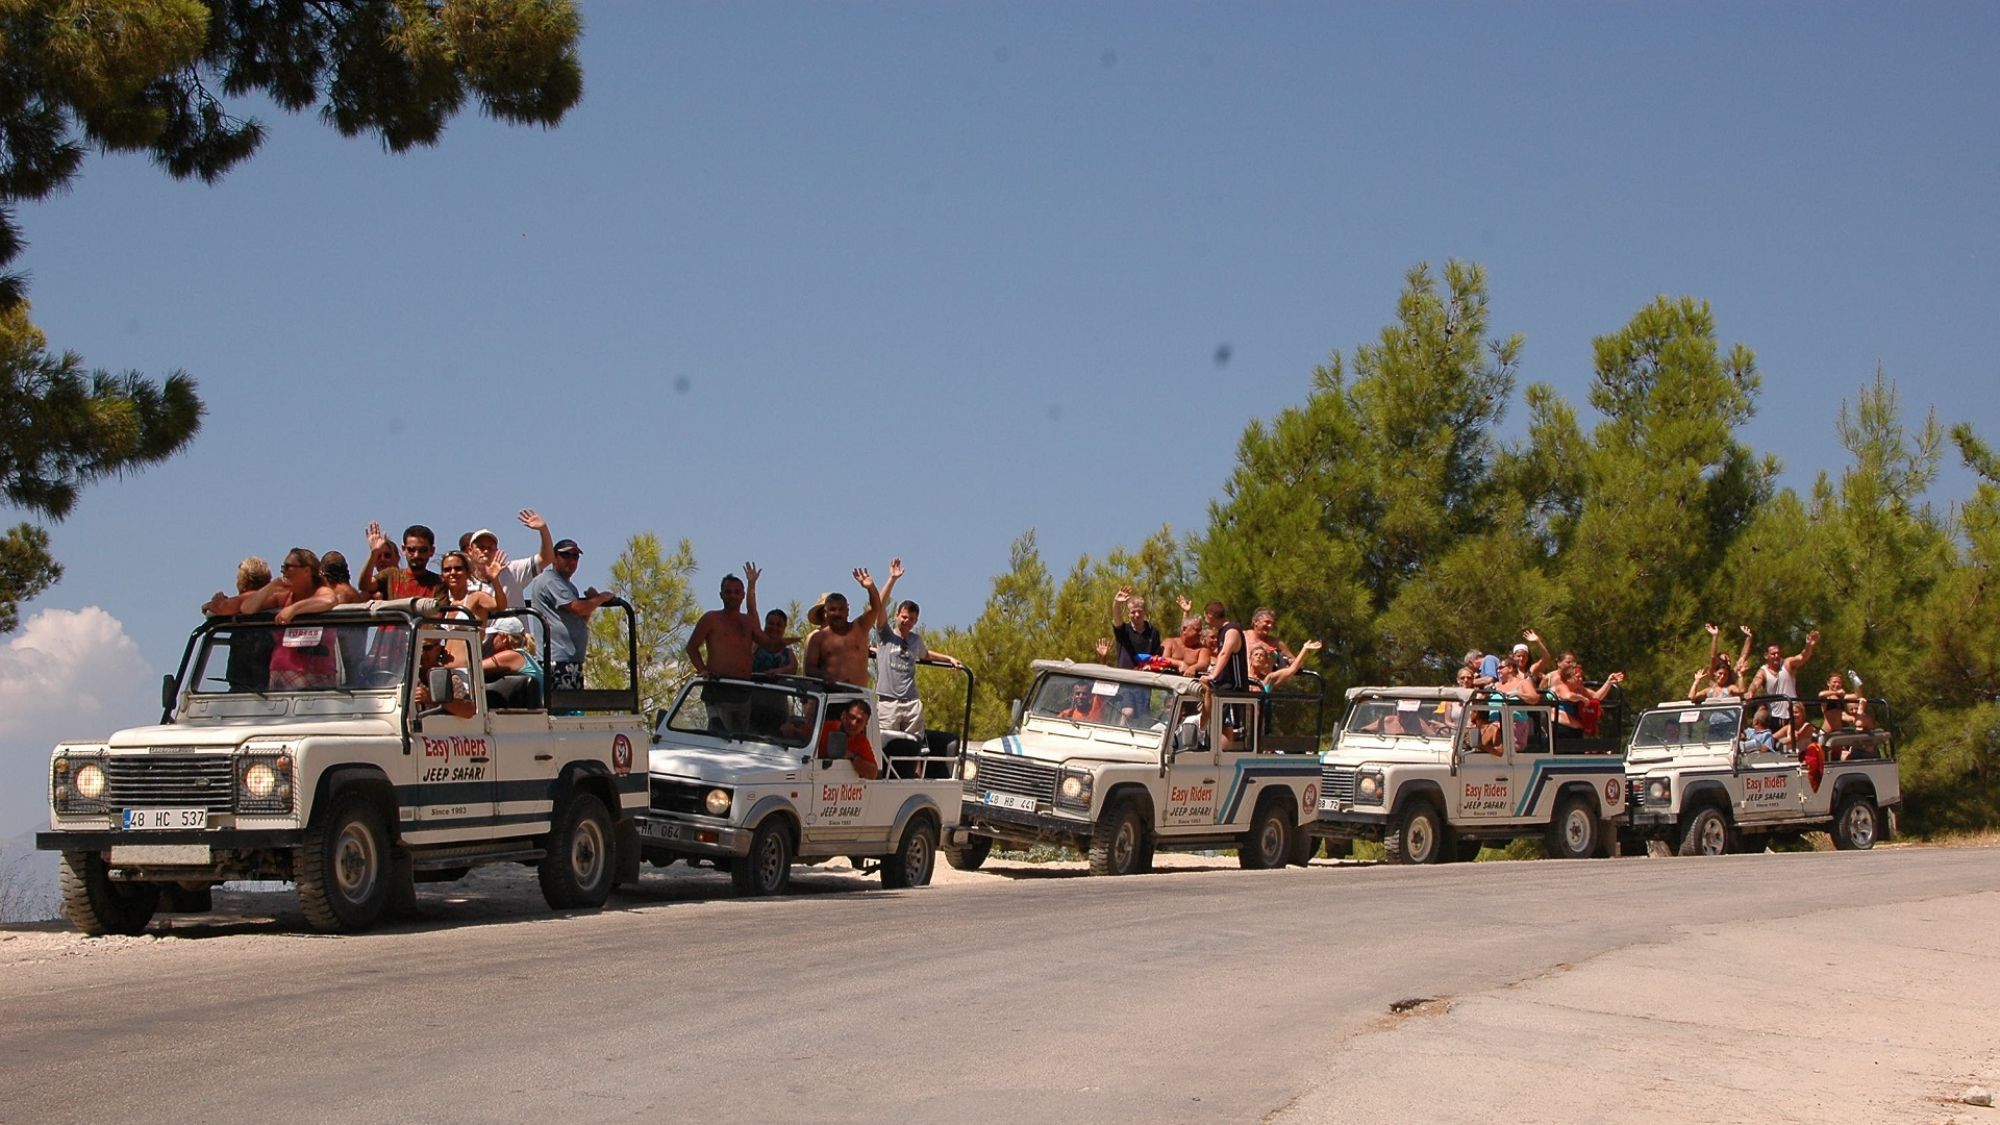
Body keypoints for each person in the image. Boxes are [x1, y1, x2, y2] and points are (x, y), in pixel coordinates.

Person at [874, 563, 963, 743]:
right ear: (897, 615)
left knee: (914, 744)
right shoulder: (886, 635)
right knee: (885, 745)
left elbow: (926, 655)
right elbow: (879, 605)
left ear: (916, 621)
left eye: (912, 619)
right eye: (904, 617)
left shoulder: (916, 640)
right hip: (888, 703)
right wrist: (892, 579)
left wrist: (949, 659)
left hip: (911, 703)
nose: (907, 621)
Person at [525, 537, 616, 692]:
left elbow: (580, 618)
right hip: (556, 661)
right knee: (560, 705)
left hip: (571, 661)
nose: (571, 560)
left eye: (575, 556)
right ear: (554, 558)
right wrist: (600, 598)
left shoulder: (568, 586)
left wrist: (591, 602)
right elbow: (577, 608)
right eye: (565, 555)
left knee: (572, 705)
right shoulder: (550, 580)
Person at [802, 567, 887, 686]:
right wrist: (827, 677)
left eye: (841, 609)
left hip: (859, 694)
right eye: (832, 610)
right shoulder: (817, 638)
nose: (837, 613)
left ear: (848, 611)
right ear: (825, 613)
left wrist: (870, 588)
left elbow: (875, 608)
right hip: (830, 694)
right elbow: (809, 669)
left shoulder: (859, 628)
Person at [463, 510, 557, 609]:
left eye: (490, 548)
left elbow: (546, 558)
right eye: (481, 547)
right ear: (470, 550)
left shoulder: (512, 570)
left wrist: (543, 530)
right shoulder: (463, 581)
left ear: (496, 550)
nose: (486, 551)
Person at [358, 523, 446, 601]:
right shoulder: (391, 575)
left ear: (432, 551)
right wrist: (374, 552)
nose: (416, 555)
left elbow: (438, 612)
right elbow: (364, 585)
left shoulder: (439, 582)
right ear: (404, 550)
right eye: (411, 550)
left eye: (422, 550)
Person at [1747, 629, 1819, 720]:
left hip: (1792, 715)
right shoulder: (1763, 671)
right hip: (1774, 716)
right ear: (1766, 655)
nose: (1776, 656)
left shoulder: (1787, 663)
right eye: (1773, 654)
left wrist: (1809, 645)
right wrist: (1750, 692)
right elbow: (1755, 683)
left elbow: (1802, 657)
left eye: (1778, 653)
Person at [479, 616, 544, 705]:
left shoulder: (511, 656)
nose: (490, 640)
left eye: (493, 636)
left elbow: (476, 667)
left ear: (504, 637)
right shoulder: (522, 655)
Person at [1549, 664, 1624, 738]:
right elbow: (1569, 696)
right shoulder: (1561, 686)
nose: (1581, 679)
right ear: (1568, 679)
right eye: (1578, 677)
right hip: (1559, 726)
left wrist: (1608, 682)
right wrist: (1583, 698)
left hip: (1574, 729)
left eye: (1581, 676)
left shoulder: (1579, 689)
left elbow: (1596, 697)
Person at [819, 699, 879, 780]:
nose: (853, 723)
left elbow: (872, 774)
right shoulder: (822, 729)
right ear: (843, 715)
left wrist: (851, 757)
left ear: (865, 725)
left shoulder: (861, 742)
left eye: (859, 721)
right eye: (852, 717)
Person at [437, 551, 502, 622]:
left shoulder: (477, 597)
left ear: (468, 572)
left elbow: (500, 606)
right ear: (442, 575)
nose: (453, 572)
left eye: (458, 568)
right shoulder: (444, 603)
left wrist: (494, 580)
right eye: (447, 570)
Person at [1110, 586, 1163, 669]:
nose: (1137, 615)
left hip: (1146, 675)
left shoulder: (1153, 632)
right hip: (1125, 674)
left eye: (1139, 611)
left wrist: (1150, 666)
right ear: (1128, 614)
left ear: (1144, 611)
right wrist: (1117, 603)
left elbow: (1157, 656)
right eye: (1133, 612)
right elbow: (1117, 618)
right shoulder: (1123, 630)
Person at [1160, 597, 1210, 676]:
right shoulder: (1170, 642)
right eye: (1196, 630)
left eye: (1200, 630)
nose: (1200, 633)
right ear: (1184, 629)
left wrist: (1193, 668)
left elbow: (1204, 663)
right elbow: (1162, 659)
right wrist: (1179, 664)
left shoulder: (1202, 649)